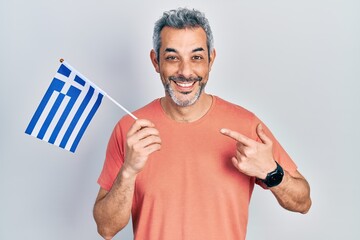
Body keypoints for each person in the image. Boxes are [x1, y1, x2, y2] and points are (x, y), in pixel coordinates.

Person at [93, 7, 311, 240]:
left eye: (196, 57)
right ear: (156, 61)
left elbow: (303, 202)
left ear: (211, 60)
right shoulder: (131, 129)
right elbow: (106, 229)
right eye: (172, 57)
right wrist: (128, 171)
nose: (185, 71)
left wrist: (272, 172)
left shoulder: (245, 125)